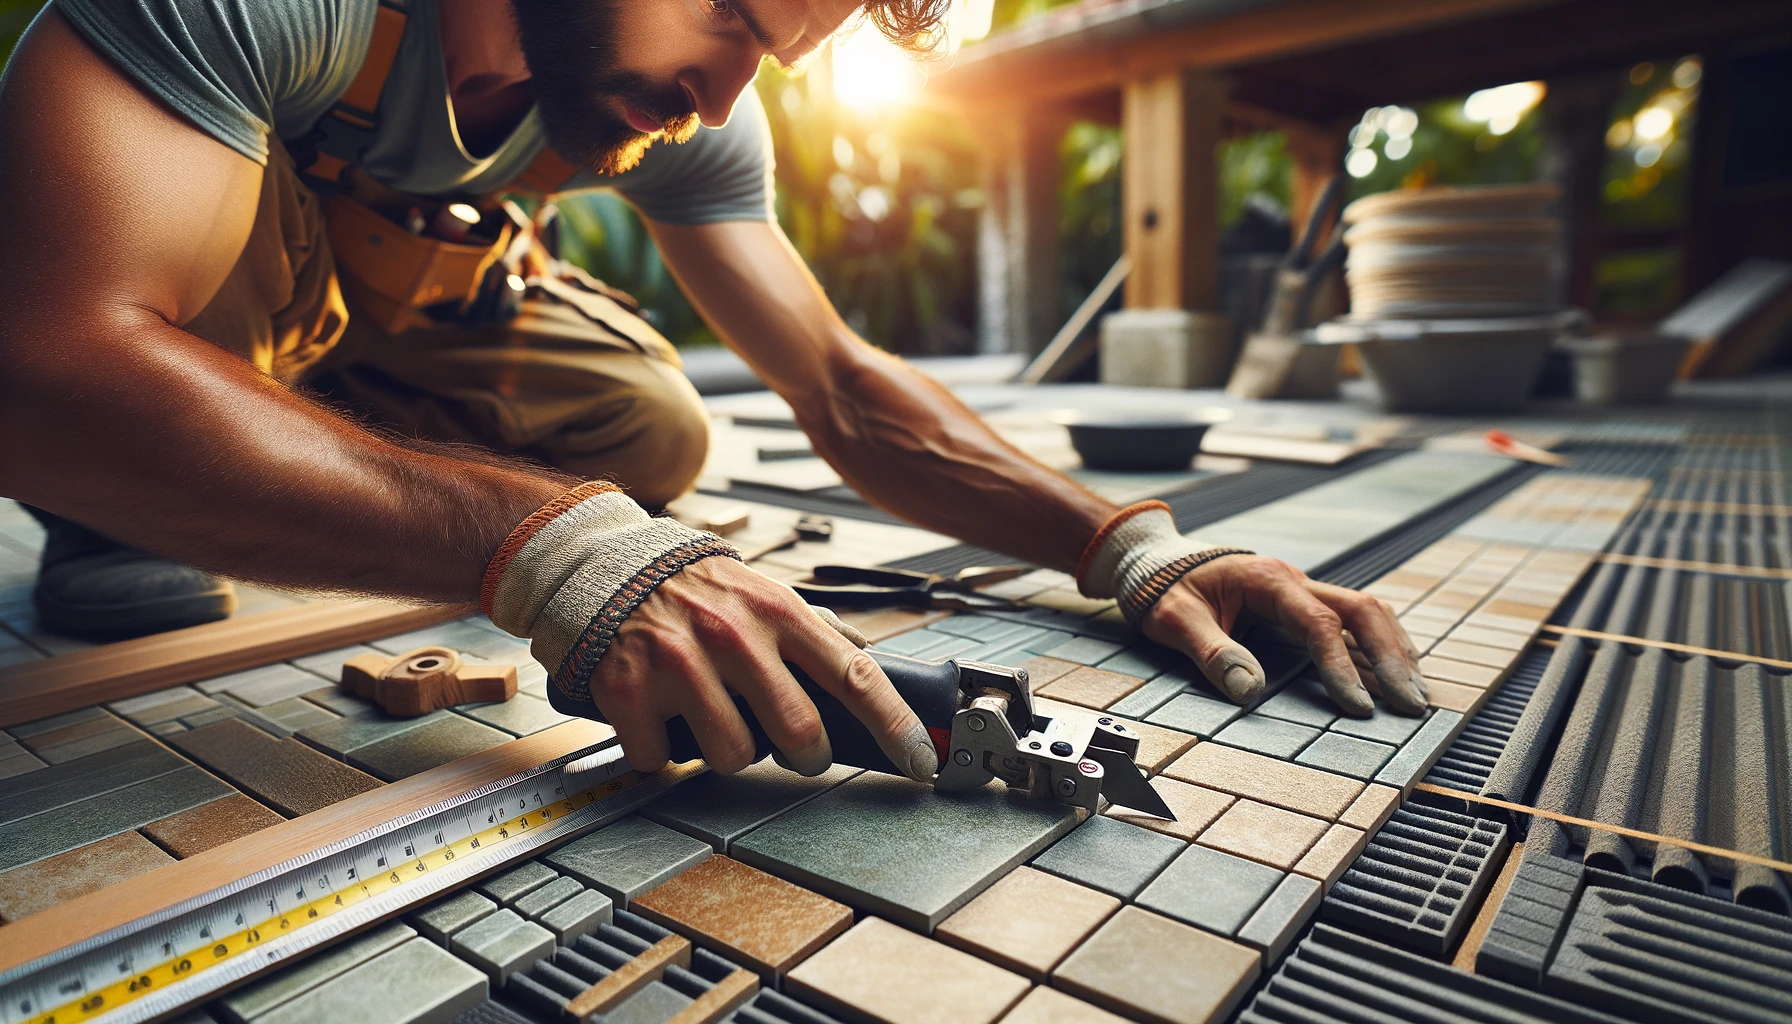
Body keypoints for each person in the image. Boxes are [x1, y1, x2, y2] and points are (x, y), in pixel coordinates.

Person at [0, 0, 1427, 784]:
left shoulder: (665, 88)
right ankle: (143, 503)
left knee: (652, 429)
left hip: (404, 302)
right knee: (131, 354)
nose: (728, 91)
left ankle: (316, 452)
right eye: (732, 11)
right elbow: (43, 362)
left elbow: (844, 392)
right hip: (198, 278)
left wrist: (1132, 548)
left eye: (776, 50)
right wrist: (536, 545)